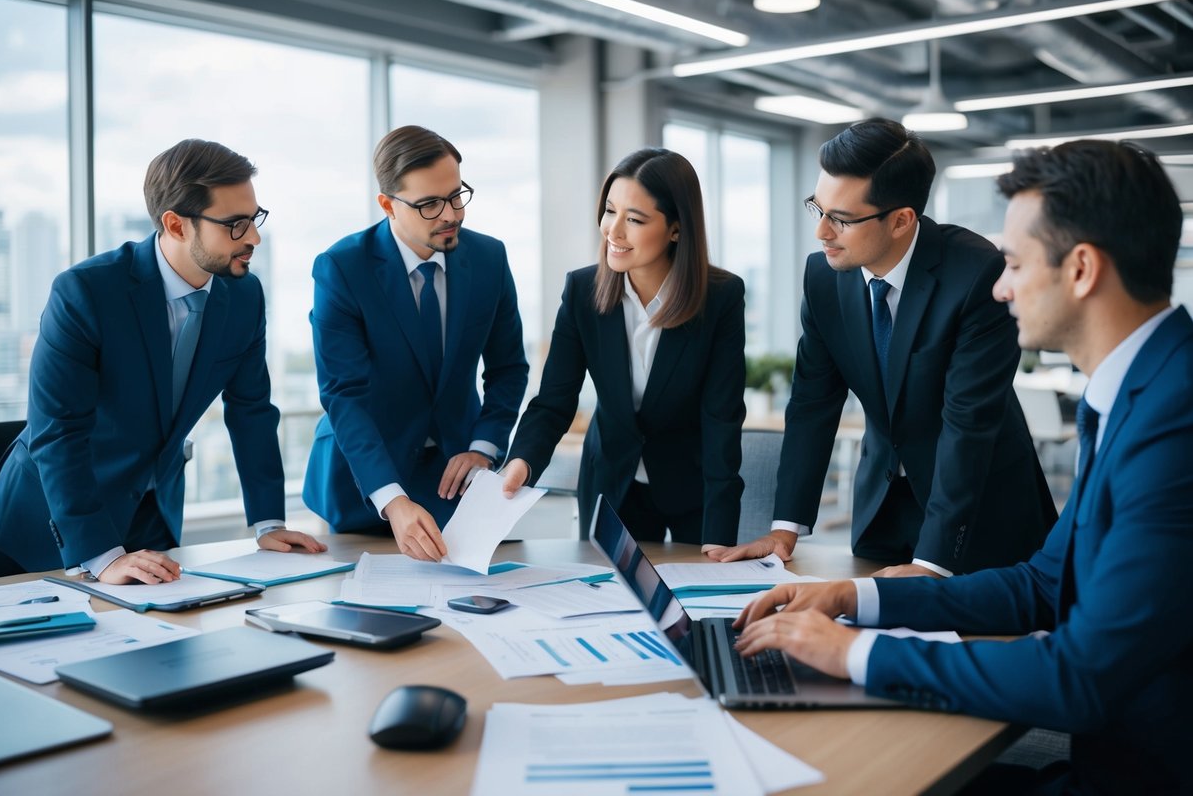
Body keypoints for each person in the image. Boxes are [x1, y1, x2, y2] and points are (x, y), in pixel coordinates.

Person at [734, 140, 1193, 793]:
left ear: (1081, 269)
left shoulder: (1175, 419)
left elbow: (1079, 676)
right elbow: (1040, 585)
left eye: (1012, 262)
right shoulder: (1139, 390)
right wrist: (854, 597)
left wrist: (856, 653)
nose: (1000, 286)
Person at [711, 118, 1053, 576]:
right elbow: (813, 402)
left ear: (901, 220)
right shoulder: (824, 277)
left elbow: (968, 424)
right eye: (818, 209)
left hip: (976, 513)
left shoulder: (976, 273)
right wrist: (784, 528)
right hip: (881, 507)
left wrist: (931, 563)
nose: (822, 233)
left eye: (842, 220)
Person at [0, 139, 326, 583]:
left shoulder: (244, 295)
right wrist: (101, 555)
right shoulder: (86, 293)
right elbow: (59, 433)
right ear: (176, 225)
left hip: (153, 519)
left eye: (254, 219)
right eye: (235, 225)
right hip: (44, 530)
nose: (254, 238)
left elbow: (252, 410)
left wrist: (268, 524)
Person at [500, 148, 745, 548]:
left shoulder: (720, 297)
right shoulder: (582, 291)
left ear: (677, 229)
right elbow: (554, 402)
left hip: (692, 487)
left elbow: (722, 417)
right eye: (610, 211)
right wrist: (521, 462)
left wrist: (719, 535)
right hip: (611, 485)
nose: (613, 231)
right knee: (607, 602)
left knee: (701, 603)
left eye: (634, 219)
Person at [304, 126, 527, 561]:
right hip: (363, 479)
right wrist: (391, 498)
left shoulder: (489, 259)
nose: (452, 214)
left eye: (456, 195)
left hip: (454, 476)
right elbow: (343, 395)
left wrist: (484, 447)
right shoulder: (342, 268)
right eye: (429, 204)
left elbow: (508, 369)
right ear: (387, 204)